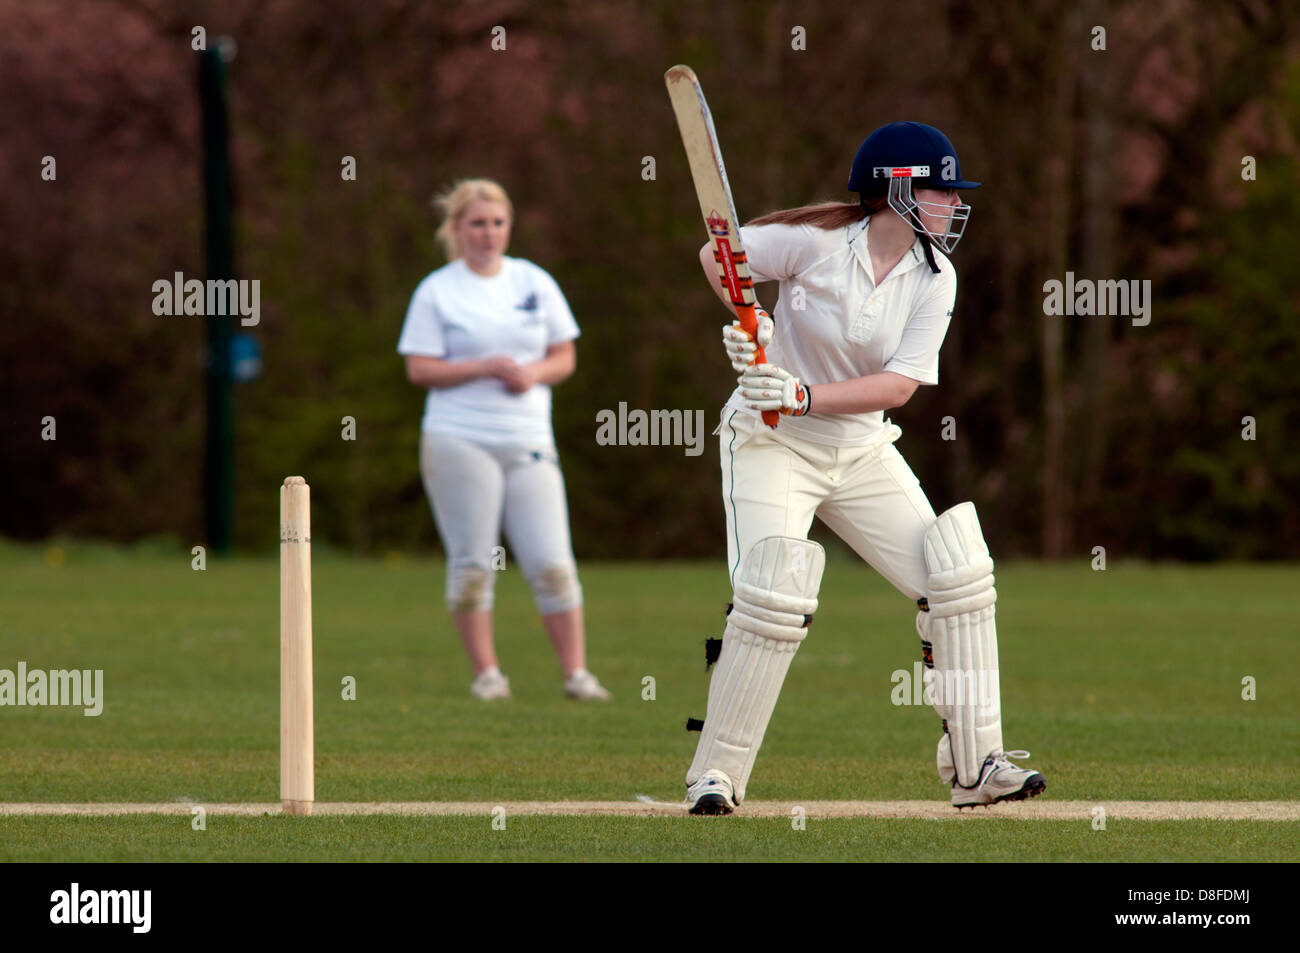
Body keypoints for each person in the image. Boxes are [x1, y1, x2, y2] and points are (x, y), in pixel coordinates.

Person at [684, 122, 1046, 813]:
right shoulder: (814, 244)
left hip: (858, 446)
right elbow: (717, 252)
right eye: (941, 190)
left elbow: (899, 387)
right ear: (897, 191)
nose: (952, 204)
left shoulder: (935, 278)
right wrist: (751, 315)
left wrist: (804, 393)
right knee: (772, 596)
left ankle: (978, 765)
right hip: (771, 441)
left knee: (955, 575)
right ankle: (716, 774)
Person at [397, 178, 611, 702]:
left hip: (529, 440)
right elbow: (419, 368)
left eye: (497, 223)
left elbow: (564, 355)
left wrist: (533, 374)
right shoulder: (437, 290)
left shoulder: (533, 282)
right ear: (457, 229)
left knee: (553, 561)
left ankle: (576, 675)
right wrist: (480, 367)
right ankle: (488, 675)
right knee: (473, 562)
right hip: (459, 439)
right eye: (477, 223)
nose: (489, 233)